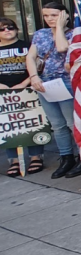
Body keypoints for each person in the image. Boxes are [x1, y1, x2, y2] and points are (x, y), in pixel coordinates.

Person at [27, 2, 81, 179]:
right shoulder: (40, 34)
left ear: (64, 15)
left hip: (66, 82)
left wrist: (60, 27)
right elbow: (31, 56)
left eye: (54, 15)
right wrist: (34, 76)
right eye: (46, 16)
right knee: (57, 124)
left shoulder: (73, 33)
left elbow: (62, 48)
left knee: (72, 122)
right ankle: (66, 157)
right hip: (45, 81)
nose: (49, 19)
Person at [0, 17, 45, 175]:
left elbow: (38, 65)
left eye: (10, 27)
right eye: (2, 28)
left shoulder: (27, 46)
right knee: (9, 126)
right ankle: (13, 160)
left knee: (32, 124)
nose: (7, 30)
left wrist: (25, 83)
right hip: (3, 94)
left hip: (27, 90)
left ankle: (35, 156)